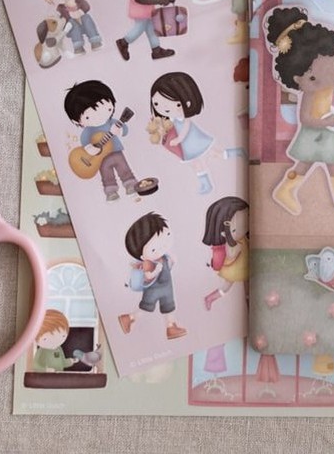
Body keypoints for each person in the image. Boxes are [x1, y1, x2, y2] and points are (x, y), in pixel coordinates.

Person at [263, 6, 334, 215]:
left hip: (328, 133)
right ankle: (287, 190)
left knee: (328, 162)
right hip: (315, 134)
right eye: (313, 76)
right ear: (301, 79)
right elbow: (305, 118)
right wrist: (325, 123)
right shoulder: (311, 93)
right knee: (311, 162)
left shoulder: (333, 87)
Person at [65, 80, 138, 202]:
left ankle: (130, 185)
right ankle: (111, 192)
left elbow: (125, 130)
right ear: (76, 121)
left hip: (116, 151)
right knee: (107, 175)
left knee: (124, 169)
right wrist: (90, 148)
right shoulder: (88, 131)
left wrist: (119, 130)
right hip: (99, 159)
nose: (99, 115)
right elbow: (85, 142)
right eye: (88, 116)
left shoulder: (112, 123)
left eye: (107, 108)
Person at [118, 212, 187, 340]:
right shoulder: (149, 264)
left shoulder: (164, 257)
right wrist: (155, 271)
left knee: (169, 307)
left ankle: (171, 327)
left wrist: (171, 262)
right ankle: (129, 318)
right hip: (154, 290)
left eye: (167, 235)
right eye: (154, 249)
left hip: (167, 288)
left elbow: (168, 267)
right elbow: (148, 277)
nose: (163, 246)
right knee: (146, 308)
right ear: (142, 256)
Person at [149, 71, 220, 194]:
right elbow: (166, 129)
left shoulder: (182, 118)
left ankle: (207, 183)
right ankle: (206, 183)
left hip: (193, 142)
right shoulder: (170, 119)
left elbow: (186, 127)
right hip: (186, 146)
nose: (164, 108)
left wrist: (179, 139)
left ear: (188, 102)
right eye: (156, 103)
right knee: (200, 161)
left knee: (207, 157)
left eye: (175, 103)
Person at [202, 196, 249, 309]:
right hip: (235, 268)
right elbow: (231, 254)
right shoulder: (232, 243)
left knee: (247, 283)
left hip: (244, 265)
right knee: (226, 287)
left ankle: (249, 299)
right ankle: (210, 298)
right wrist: (232, 240)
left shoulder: (242, 238)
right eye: (235, 228)